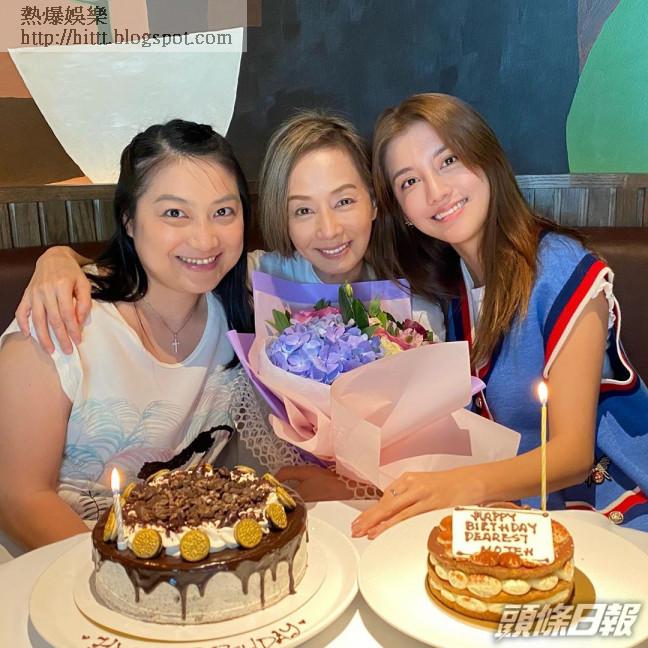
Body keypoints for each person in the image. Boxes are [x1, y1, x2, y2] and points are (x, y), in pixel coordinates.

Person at [14, 111, 445, 500]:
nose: (328, 229)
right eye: (302, 210)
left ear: (375, 201)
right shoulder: (255, 281)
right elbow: (160, 268)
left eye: (344, 201)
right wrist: (58, 259)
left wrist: (354, 487)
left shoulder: (419, 310)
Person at [351, 93, 648, 538]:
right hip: (515, 516)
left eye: (448, 160)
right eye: (409, 181)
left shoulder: (562, 270)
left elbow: (572, 455)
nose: (436, 191)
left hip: (610, 514)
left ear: (486, 157)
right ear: (402, 212)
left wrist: (455, 485)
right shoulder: (450, 291)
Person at [0, 120, 302, 552]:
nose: (204, 239)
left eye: (223, 212)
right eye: (174, 213)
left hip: (185, 568)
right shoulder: (60, 320)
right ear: (129, 219)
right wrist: (125, 574)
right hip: (58, 569)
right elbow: (19, 499)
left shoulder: (248, 299)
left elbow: (336, 259)